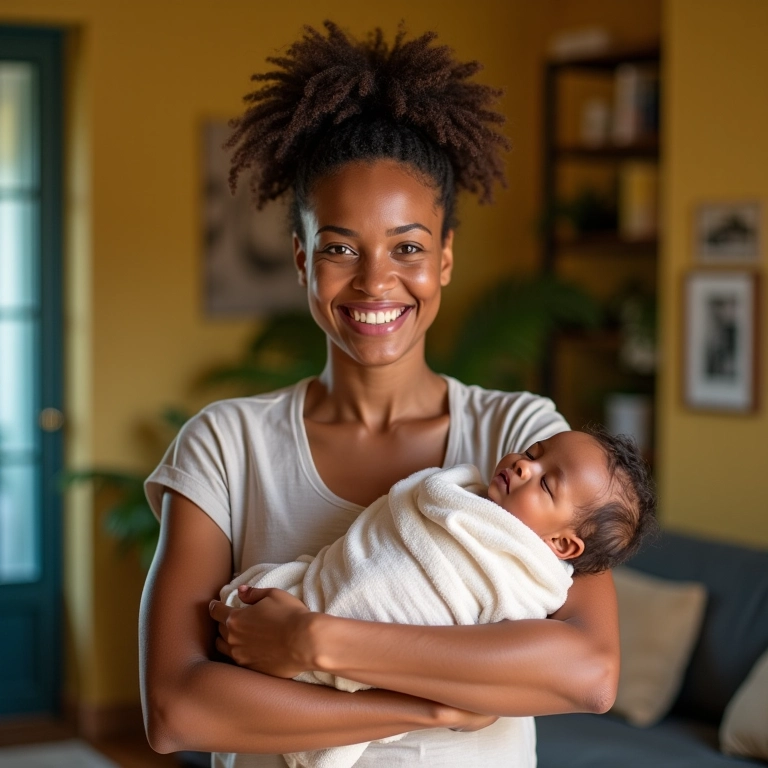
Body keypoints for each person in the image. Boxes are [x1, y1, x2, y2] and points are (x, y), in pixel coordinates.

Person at [140, 21, 623, 768]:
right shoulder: (224, 445)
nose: (374, 282)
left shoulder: (521, 435)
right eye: (339, 248)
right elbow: (177, 711)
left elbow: (588, 673)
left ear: (445, 258)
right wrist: (433, 707)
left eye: (408, 247)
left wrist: (316, 642)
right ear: (301, 260)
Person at [220, 429, 656, 768]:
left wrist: (312, 639)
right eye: (533, 452)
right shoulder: (455, 495)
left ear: (562, 545)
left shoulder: (530, 581)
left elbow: (588, 678)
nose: (525, 465)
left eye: (546, 484)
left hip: (350, 678)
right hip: (306, 600)